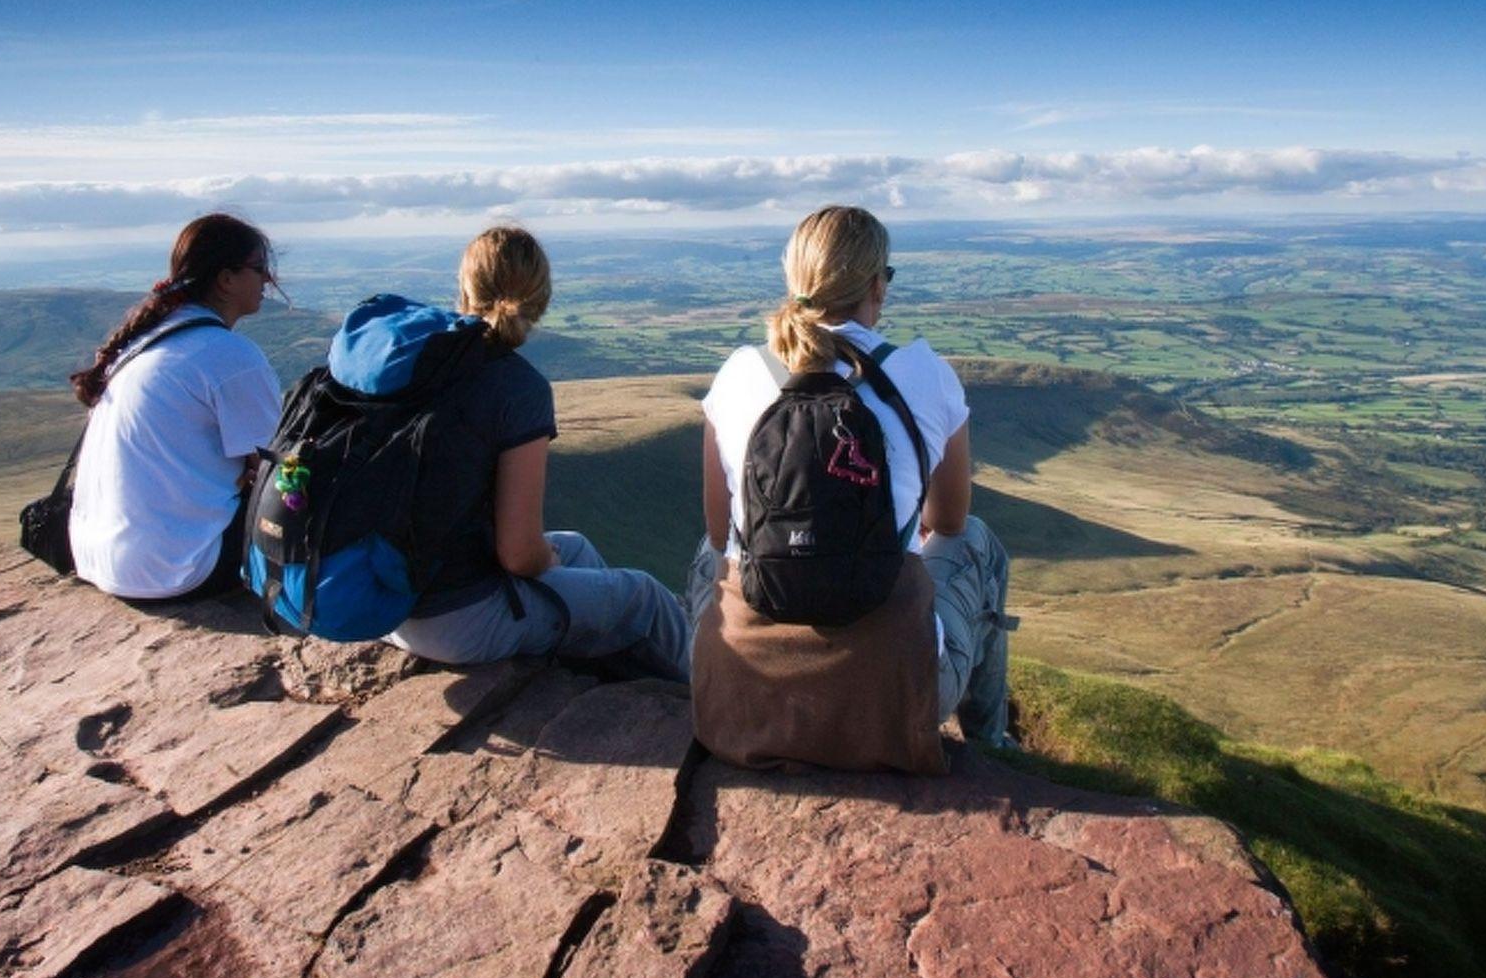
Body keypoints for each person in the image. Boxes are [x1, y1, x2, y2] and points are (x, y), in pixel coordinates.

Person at [689, 205, 1013, 768]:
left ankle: (702, 666)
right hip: (894, 696)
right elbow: (952, 521)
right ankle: (992, 744)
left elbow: (722, 533)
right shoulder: (925, 372)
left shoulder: (739, 372)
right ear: (876, 286)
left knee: (710, 550)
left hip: (749, 690)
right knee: (977, 542)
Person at [381, 225, 692, 681]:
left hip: (387, 599)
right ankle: (707, 722)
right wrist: (543, 558)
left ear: (465, 288)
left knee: (577, 547)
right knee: (645, 598)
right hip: (454, 620)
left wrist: (546, 556)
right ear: (540, 297)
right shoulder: (516, 386)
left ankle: (597, 680)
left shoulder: (419, 362)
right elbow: (519, 557)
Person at [67, 213, 283, 601]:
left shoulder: (145, 342)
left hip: (100, 560)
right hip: (180, 569)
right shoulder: (229, 355)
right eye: (259, 268)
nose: (267, 280)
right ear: (226, 279)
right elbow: (281, 469)